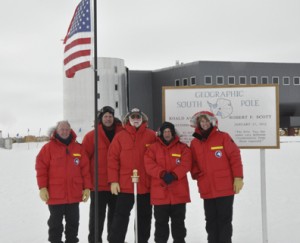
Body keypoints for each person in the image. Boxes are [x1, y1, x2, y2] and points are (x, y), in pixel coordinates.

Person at [189, 111, 244, 243]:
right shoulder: (195, 143)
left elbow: (235, 157)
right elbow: (193, 162)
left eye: (207, 121)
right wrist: (197, 174)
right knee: (210, 220)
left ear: (212, 122)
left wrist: (238, 177)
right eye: (202, 121)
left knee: (224, 220)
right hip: (207, 188)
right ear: (198, 124)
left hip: (224, 188)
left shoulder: (223, 137)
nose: (205, 123)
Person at [35, 120, 92, 243]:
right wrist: (42, 187)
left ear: (70, 130)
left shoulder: (78, 148)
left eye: (67, 129)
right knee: (55, 224)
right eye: (62, 129)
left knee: (73, 223)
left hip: (74, 194)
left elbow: (85, 170)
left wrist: (87, 187)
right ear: (57, 131)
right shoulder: (48, 148)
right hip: (55, 194)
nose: (64, 131)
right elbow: (41, 168)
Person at [107, 107, 157, 243]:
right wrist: (113, 181)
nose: (136, 119)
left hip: (145, 186)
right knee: (120, 217)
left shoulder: (151, 136)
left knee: (144, 217)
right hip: (125, 186)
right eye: (133, 117)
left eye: (138, 117)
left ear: (142, 119)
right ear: (128, 119)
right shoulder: (120, 137)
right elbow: (112, 159)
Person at [144, 121, 192, 243]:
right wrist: (162, 174)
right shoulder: (153, 148)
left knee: (179, 224)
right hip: (160, 194)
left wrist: (175, 174)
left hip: (178, 194)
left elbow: (186, 163)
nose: (167, 134)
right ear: (161, 133)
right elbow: (148, 164)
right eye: (165, 132)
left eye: (169, 131)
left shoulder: (182, 148)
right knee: (160, 224)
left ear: (173, 133)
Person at [82, 106, 123, 243]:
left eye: (110, 116)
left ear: (113, 117)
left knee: (115, 216)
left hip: (116, 184)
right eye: (105, 116)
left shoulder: (121, 134)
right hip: (98, 185)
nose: (108, 119)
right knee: (97, 218)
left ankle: (114, 240)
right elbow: (84, 161)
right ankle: (94, 240)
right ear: (101, 118)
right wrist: (87, 184)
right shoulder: (91, 136)